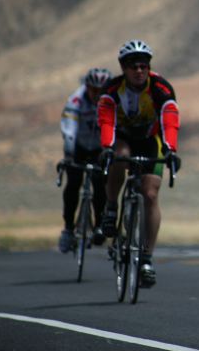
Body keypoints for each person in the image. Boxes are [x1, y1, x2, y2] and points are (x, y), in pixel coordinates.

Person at [97, 39, 181, 287]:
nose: (139, 71)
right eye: (133, 66)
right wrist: (106, 148)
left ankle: (146, 258)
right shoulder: (111, 90)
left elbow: (170, 121)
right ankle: (111, 207)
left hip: (149, 140)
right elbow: (106, 123)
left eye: (143, 66)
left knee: (151, 194)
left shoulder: (161, 88)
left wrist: (170, 150)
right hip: (122, 138)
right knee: (119, 155)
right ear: (124, 68)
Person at [58, 67, 113, 253]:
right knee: (73, 183)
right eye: (93, 89)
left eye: (101, 90)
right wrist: (69, 153)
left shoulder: (112, 100)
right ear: (86, 86)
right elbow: (69, 128)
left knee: (100, 184)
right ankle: (67, 229)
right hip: (79, 147)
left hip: (100, 148)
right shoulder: (76, 100)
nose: (97, 94)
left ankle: (99, 225)